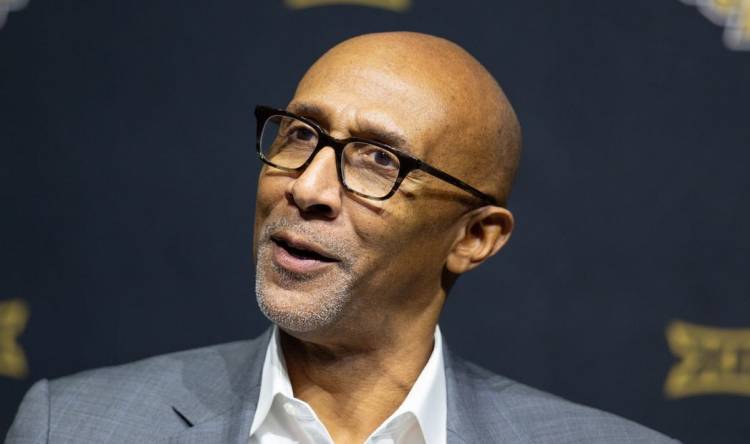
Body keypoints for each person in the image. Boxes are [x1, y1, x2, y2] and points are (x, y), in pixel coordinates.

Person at [6, 32, 679, 444]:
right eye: (301, 136)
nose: (307, 188)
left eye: (379, 159)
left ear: (475, 237)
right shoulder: (68, 428)